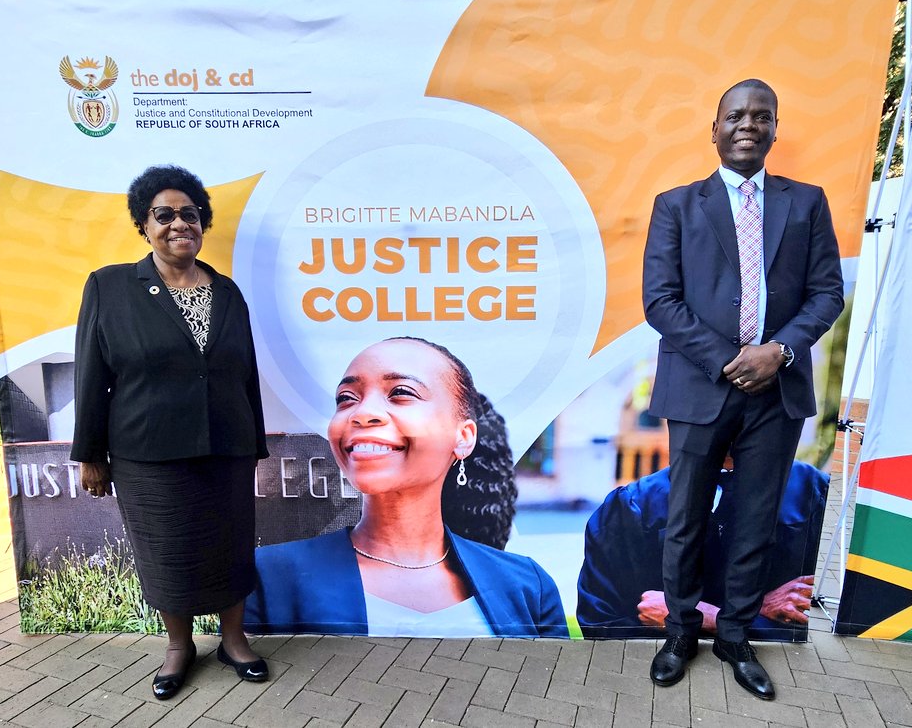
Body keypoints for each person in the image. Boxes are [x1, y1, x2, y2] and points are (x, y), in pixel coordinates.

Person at [642, 79, 843, 699]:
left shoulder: (806, 202)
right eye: (735, 116)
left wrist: (777, 353)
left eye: (761, 116)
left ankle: (734, 636)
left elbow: (826, 294)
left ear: (776, 128)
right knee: (686, 518)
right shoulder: (676, 205)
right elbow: (660, 301)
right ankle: (679, 633)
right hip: (703, 387)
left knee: (757, 518)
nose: (747, 125)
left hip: (776, 391)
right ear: (715, 128)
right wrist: (732, 361)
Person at [71, 165, 271, 700]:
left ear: (202, 223)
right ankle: (178, 647)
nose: (179, 223)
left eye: (190, 214)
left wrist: (254, 443)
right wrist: (90, 452)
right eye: (165, 215)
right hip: (148, 452)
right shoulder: (110, 286)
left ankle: (233, 639)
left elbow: (243, 371)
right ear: (144, 224)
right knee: (166, 550)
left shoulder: (227, 292)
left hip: (225, 447)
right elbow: (92, 373)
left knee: (230, 545)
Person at [244, 337, 569, 638]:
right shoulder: (269, 577)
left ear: (464, 436)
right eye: (346, 399)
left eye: (401, 392)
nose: (362, 413)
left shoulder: (528, 587)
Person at [577, 461, 828, 639]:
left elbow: (815, 624)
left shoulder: (812, 494)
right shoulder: (635, 505)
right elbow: (602, 624)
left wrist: (702, 617)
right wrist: (755, 614)